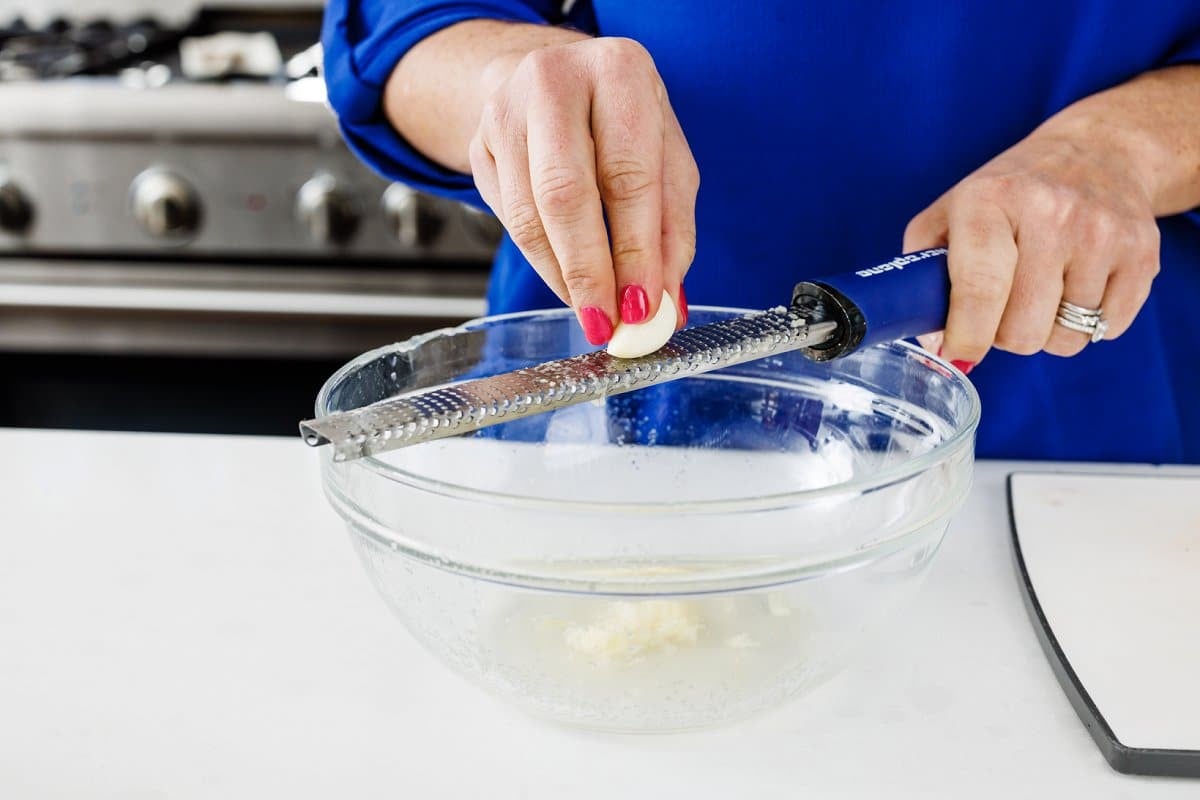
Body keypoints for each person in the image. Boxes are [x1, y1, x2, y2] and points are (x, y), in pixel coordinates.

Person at [321, 2, 1200, 463]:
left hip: (1076, 449)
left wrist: (1120, 150)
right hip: (602, 443)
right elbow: (408, 22)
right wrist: (515, 83)